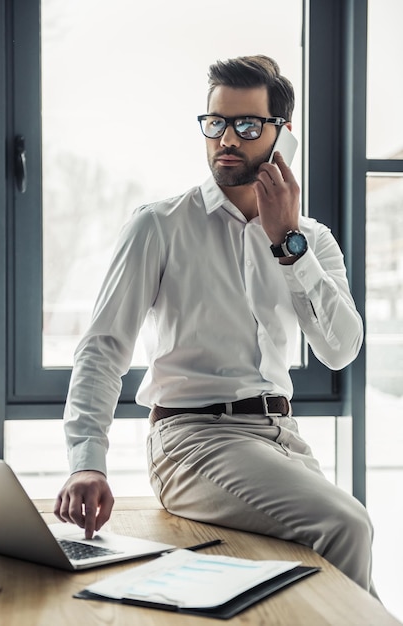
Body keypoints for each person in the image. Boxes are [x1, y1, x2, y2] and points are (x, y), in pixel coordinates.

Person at [55, 55, 375, 595]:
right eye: (216, 123)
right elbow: (103, 348)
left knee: (333, 574)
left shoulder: (309, 240)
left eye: (248, 125)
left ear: (283, 137)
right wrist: (88, 461)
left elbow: (340, 350)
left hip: (280, 439)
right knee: (348, 525)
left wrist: (286, 244)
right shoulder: (159, 225)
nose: (227, 139)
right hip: (191, 438)